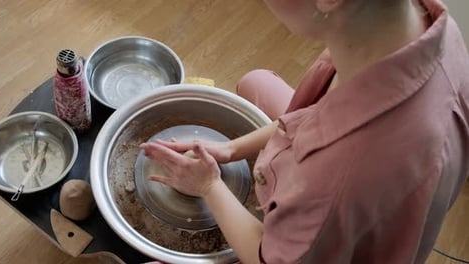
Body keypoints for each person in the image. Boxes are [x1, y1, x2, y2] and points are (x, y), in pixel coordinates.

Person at [140, 0, 469, 262]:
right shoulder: (430, 23)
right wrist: (231, 149)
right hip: (397, 166)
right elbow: (315, 114)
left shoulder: (337, 179)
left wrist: (209, 185)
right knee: (257, 82)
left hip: (344, 223)